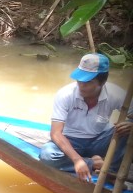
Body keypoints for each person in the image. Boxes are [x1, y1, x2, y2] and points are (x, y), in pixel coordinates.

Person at [38, 53, 132, 182]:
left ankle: (111, 170)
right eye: (79, 81)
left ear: (103, 81)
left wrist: (130, 125)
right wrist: (78, 161)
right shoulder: (65, 94)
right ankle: (96, 164)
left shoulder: (115, 93)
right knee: (47, 155)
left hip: (100, 140)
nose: (81, 86)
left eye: (87, 82)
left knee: (128, 128)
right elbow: (55, 133)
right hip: (71, 141)